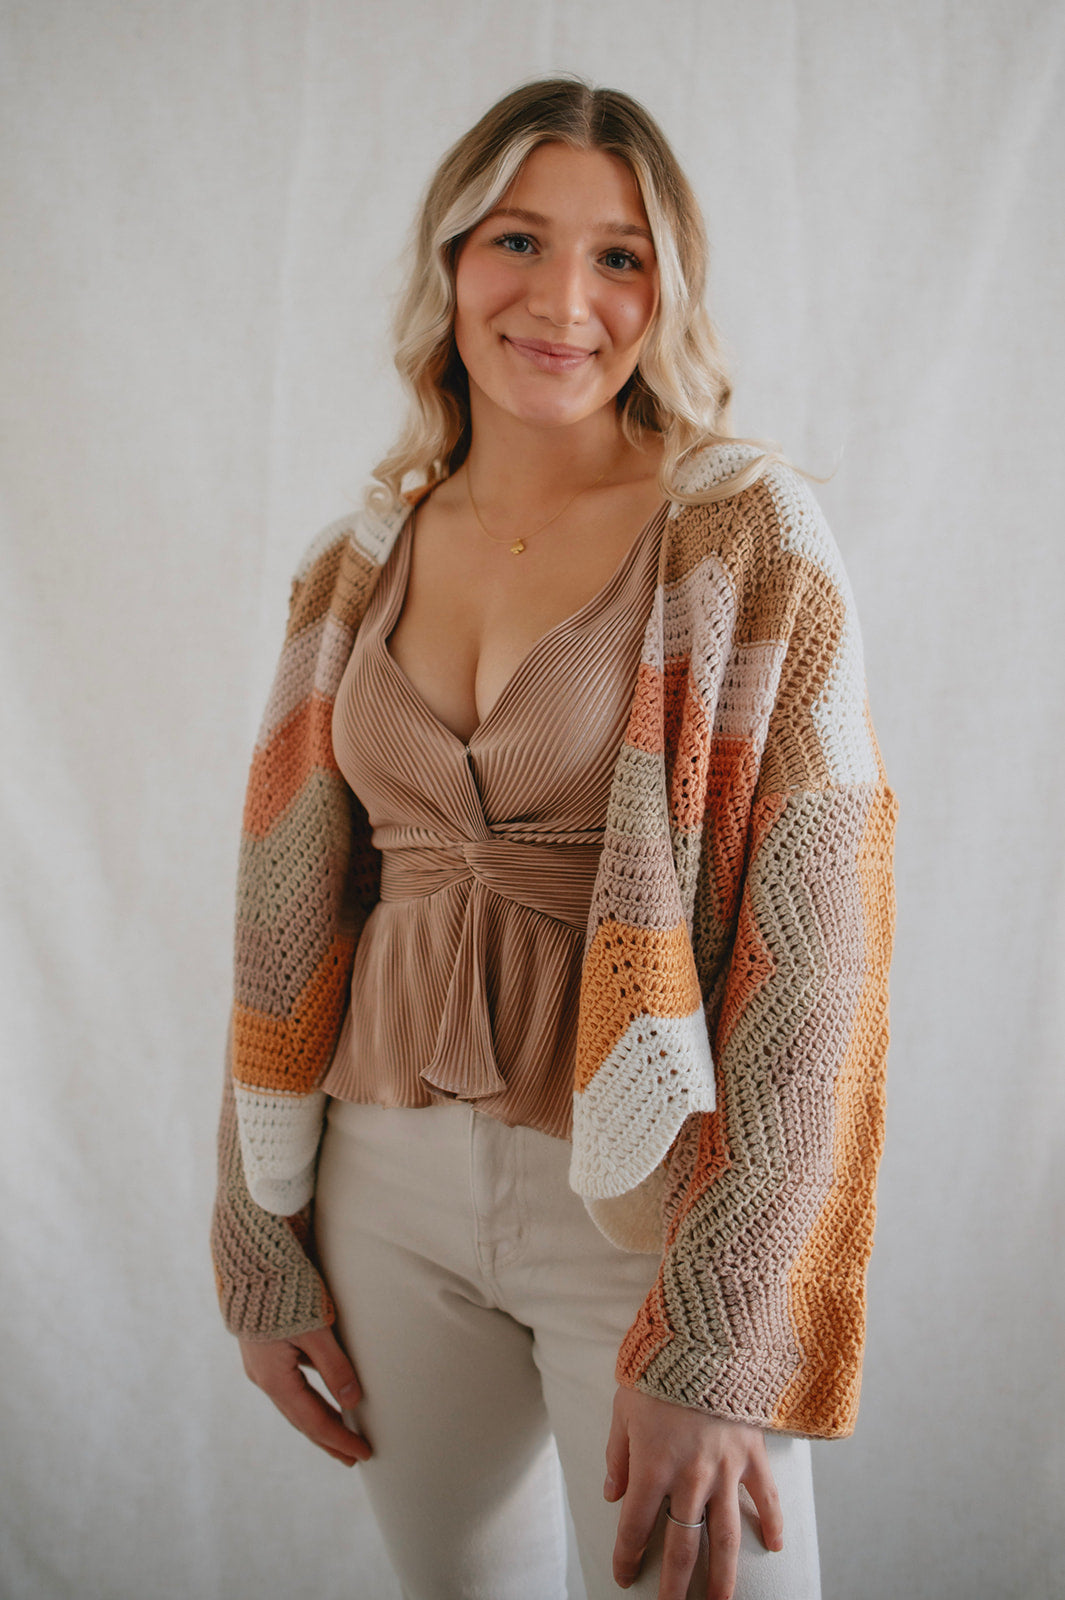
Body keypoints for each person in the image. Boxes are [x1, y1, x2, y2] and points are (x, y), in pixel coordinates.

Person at [211, 77, 896, 1600]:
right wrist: (258, 1233)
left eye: (620, 257)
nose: (563, 301)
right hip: (379, 1193)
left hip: (648, 1206)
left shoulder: (743, 537)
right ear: (451, 259)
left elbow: (818, 962)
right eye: (517, 239)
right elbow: (284, 914)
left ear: (669, 290)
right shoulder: (354, 563)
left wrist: (720, 1331)